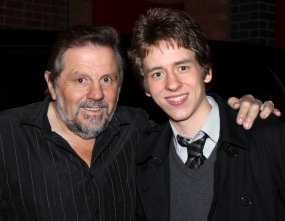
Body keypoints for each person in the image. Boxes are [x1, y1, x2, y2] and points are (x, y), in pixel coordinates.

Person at [0, 25, 278, 220]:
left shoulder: (137, 131)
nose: (96, 94)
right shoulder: (7, 137)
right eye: (81, 80)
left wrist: (245, 105)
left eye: (107, 79)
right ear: (52, 83)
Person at [128, 8, 285, 221]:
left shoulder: (267, 136)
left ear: (206, 71)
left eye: (182, 67)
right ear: (146, 87)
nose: (172, 84)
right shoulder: (143, 160)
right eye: (157, 73)